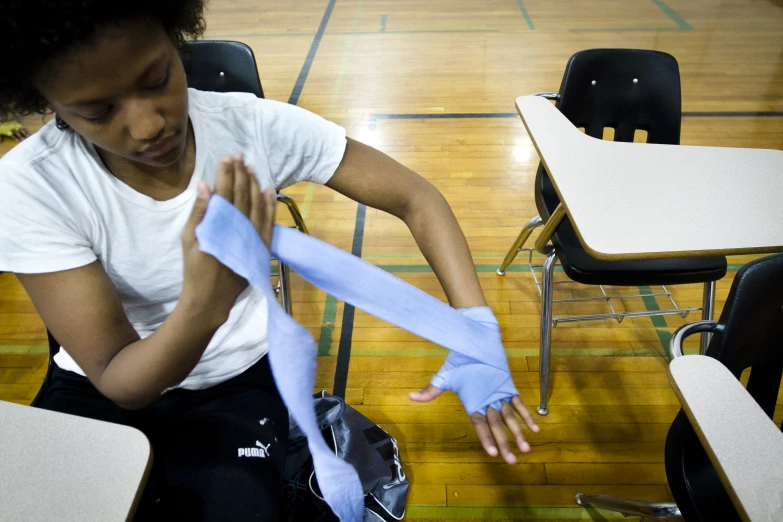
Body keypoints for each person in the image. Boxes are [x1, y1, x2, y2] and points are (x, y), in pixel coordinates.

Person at [0, 1, 538, 519]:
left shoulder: (249, 127)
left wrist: (474, 328)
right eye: (97, 112)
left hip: (234, 380)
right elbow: (121, 378)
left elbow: (416, 198)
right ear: (49, 104)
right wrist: (205, 304)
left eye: (156, 79)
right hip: (105, 385)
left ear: (175, 37)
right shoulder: (33, 185)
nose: (146, 126)